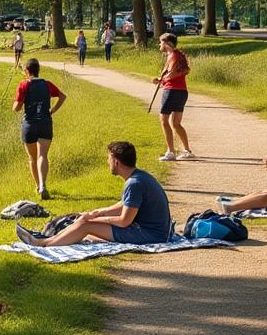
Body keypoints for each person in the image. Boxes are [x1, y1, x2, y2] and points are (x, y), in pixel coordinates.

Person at [15, 141, 172, 247]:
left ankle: (43, 244)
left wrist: (95, 219)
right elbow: (123, 205)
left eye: (109, 159)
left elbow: (124, 220)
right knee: (85, 222)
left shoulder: (134, 183)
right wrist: (94, 213)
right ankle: (46, 240)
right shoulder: (138, 176)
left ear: (116, 162)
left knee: (86, 226)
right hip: (153, 230)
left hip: (150, 234)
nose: (107, 162)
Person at [13, 58, 66, 199]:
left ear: (26, 71)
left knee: (32, 158)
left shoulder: (23, 85)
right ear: (38, 70)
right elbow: (62, 96)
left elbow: (16, 108)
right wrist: (52, 110)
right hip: (45, 123)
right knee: (43, 155)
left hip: (29, 124)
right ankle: (43, 185)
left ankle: (38, 186)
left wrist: (21, 102)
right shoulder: (47, 84)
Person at [154, 32, 194, 161]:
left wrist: (162, 79)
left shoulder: (172, 55)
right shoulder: (179, 54)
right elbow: (186, 70)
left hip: (171, 91)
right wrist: (163, 80)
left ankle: (170, 152)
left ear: (166, 43)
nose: (159, 45)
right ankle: (187, 151)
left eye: (161, 42)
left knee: (164, 120)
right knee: (176, 123)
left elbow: (172, 73)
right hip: (182, 91)